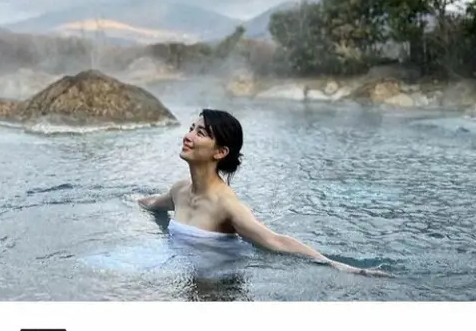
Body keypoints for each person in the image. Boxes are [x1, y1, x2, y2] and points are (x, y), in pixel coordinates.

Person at [139, 109, 390, 277]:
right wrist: (127, 199)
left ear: (220, 152)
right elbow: (152, 203)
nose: (188, 136)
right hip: (185, 272)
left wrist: (339, 266)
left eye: (200, 133)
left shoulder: (227, 206)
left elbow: (274, 240)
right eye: (191, 128)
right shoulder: (179, 190)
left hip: (218, 284)